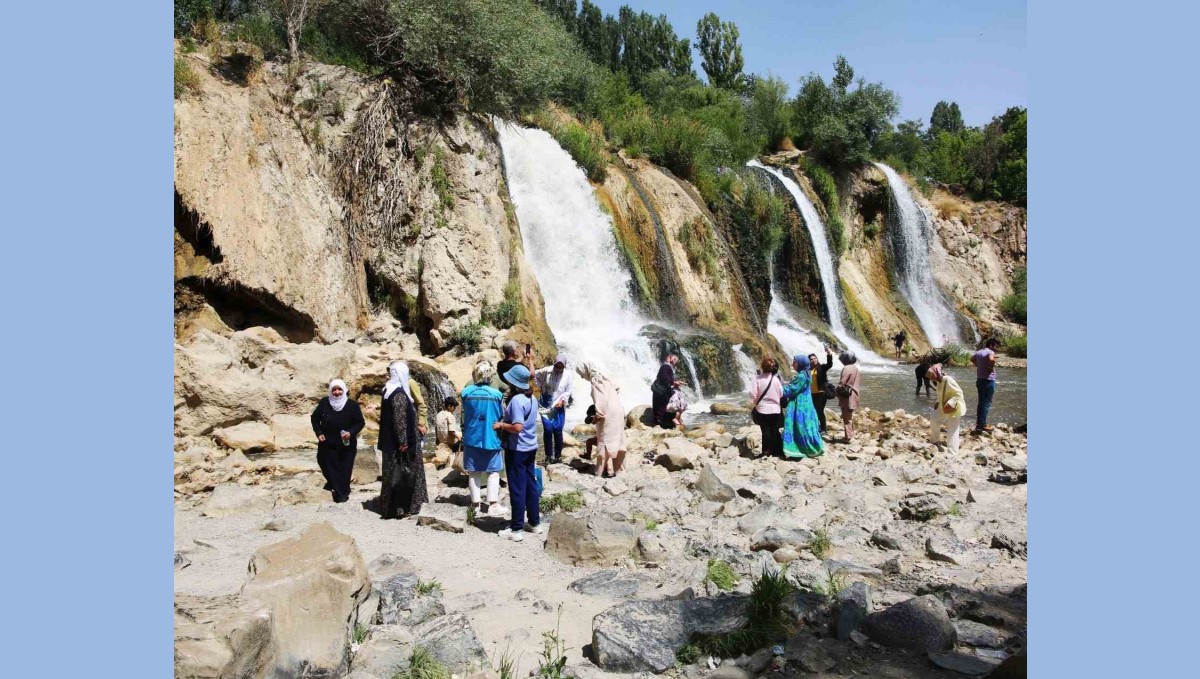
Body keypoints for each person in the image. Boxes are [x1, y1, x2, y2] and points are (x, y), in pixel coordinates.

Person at [494, 364, 542, 541]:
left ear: (513, 383)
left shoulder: (516, 401)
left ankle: (516, 529)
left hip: (517, 449)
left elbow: (517, 427)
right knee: (530, 485)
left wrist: (501, 425)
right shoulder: (532, 398)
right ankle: (534, 523)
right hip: (531, 447)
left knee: (517, 488)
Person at [378, 361, 427, 518]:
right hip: (402, 445)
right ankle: (403, 508)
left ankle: (390, 506)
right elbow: (400, 421)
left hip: (390, 443)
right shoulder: (398, 394)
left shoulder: (387, 390)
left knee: (391, 475)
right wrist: (404, 442)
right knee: (405, 474)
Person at [460, 362, 506, 518]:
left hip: (472, 437)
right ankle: (493, 504)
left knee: (474, 472)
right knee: (493, 472)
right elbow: (502, 414)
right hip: (491, 438)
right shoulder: (496, 395)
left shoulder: (466, 392)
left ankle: (475, 505)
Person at [310, 379, 366, 503]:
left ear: (344, 390)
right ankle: (333, 484)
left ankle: (342, 494)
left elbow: (360, 422)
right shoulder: (325, 402)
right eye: (334, 389)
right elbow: (314, 418)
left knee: (344, 468)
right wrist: (318, 433)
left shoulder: (352, 405)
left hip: (346, 443)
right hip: (327, 442)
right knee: (324, 462)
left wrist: (350, 432)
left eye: (339, 389)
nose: (337, 392)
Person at [578, 362, 627, 477]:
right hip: (618, 410)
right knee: (617, 440)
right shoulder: (606, 378)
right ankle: (619, 471)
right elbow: (617, 388)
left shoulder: (596, 380)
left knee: (603, 441)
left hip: (608, 413)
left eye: (581, 373)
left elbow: (601, 399)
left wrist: (597, 416)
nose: (581, 376)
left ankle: (600, 472)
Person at [782, 355, 825, 459]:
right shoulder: (806, 373)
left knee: (799, 425)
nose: (793, 364)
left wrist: (778, 387)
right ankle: (814, 446)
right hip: (807, 404)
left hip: (800, 405)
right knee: (806, 425)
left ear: (801, 364)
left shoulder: (801, 376)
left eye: (795, 362)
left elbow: (791, 390)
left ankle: (800, 449)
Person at [534, 353, 573, 464]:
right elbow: (535, 375)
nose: (558, 369)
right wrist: (541, 386)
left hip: (559, 406)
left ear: (564, 366)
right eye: (557, 366)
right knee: (548, 429)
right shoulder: (546, 371)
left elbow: (568, 390)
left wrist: (563, 401)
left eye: (561, 367)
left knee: (558, 431)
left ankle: (557, 457)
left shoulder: (568, 375)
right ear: (554, 363)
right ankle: (548, 456)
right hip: (546, 404)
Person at [927, 363, 966, 454]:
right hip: (943, 406)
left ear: (936, 374)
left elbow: (959, 393)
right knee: (934, 419)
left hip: (954, 407)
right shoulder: (939, 381)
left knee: (952, 430)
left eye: (932, 377)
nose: (931, 379)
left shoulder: (948, 379)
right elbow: (941, 393)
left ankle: (953, 452)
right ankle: (934, 441)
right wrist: (937, 402)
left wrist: (950, 403)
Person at [749, 357, 784, 457]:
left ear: (762, 367)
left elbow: (752, 394)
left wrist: (755, 402)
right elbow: (781, 394)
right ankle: (776, 451)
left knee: (765, 431)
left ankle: (766, 451)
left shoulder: (757, 379)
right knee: (773, 430)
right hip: (775, 410)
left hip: (762, 409)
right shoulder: (776, 379)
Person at [971, 338, 1001, 433]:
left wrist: (978, 366)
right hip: (988, 381)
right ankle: (983, 425)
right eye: (996, 346)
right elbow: (991, 359)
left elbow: (971, 359)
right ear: (991, 345)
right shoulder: (990, 352)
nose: (996, 349)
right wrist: (990, 367)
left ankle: (979, 424)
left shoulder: (979, 352)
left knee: (981, 402)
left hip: (979, 380)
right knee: (987, 403)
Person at [651, 354, 682, 429]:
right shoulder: (666, 366)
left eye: (676, 360)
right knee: (661, 407)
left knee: (661, 406)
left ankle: (660, 423)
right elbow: (664, 377)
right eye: (674, 359)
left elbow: (666, 377)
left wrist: (674, 381)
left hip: (661, 390)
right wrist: (674, 382)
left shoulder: (668, 367)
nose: (674, 361)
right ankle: (660, 424)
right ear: (668, 358)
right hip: (661, 391)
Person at [807, 346, 834, 433]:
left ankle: (823, 429)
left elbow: (829, 364)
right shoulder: (808, 370)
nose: (814, 360)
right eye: (811, 359)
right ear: (809, 361)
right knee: (813, 411)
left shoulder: (821, 368)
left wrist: (829, 354)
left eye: (815, 358)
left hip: (821, 393)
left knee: (819, 411)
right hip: (811, 393)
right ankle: (817, 426)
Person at [836, 351, 861, 443]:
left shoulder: (846, 368)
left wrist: (836, 389)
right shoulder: (855, 368)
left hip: (847, 396)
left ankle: (848, 437)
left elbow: (843, 382)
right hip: (854, 394)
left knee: (846, 417)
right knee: (849, 416)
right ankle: (851, 434)